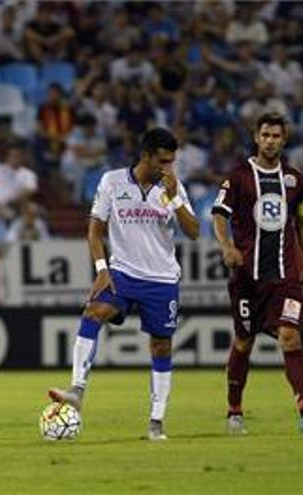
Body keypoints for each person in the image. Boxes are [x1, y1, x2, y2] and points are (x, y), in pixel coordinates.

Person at [48, 128, 200, 440]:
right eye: (162, 161)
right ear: (145, 156)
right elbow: (95, 230)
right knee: (92, 313)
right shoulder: (112, 182)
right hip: (123, 274)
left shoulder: (172, 187)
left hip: (161, 279)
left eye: (172, 162)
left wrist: (174, 199)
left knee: (161, 345)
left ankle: (156, 422)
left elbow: (195, 231)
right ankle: (77, 389)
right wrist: (102, 269)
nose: (167, 168)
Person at [211, 113, 303, 435]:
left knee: (290, 337)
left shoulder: (295, 180)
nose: (270, 140)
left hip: (285, 276)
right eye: (265, 135)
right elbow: (219, 216)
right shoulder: (238, 177)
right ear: (256, 137)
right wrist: (226, 247)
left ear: (284, 139)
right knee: (243, 342)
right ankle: (234, 411)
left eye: (276, 136)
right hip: (247, 279)